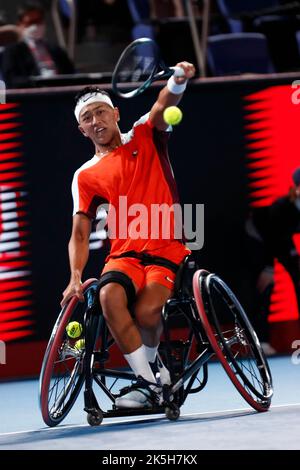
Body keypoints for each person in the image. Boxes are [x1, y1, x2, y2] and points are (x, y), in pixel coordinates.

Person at [61, 62, 195, 408]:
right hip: (123, 255)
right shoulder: (85, 176)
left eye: (101, 112)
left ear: (116, 113)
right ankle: (151, 382)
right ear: (81, 130)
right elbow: (80, 230)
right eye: (88, 117)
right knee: (108, 298)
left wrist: (178, 80)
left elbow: (164, 105)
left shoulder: (146, 132)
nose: (96, 121)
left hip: (168, 245)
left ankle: (152, 380)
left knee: (149, 312)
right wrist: (76, 276)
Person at [245, 168, 300, 354]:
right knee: (265, 286)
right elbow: (271, 239)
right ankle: (261, 341)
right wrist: (268, 268)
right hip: (258, 237)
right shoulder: (281, 207)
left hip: (281, 239)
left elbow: (282, 240)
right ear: (297, 189)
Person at [2, 1, 74, 88]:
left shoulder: (56, 49)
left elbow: (71, 75)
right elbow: (11, 80)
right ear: (20, 25)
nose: (35, 26)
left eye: (38, 21)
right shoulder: (12, 52)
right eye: (30, 22)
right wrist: (38, 83)